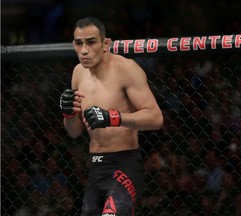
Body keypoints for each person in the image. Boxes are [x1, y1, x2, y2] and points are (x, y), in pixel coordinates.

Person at [59, 17, 163, 216]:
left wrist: (114, 117)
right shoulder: (78, 73)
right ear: (73, 45)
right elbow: (74, 132)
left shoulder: (126, 68)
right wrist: (68, 114)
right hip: (96, 166)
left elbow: (156, 118)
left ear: (105, 43)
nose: (84, 50)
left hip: (125, 163)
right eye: (79, 43)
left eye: (91, 42)